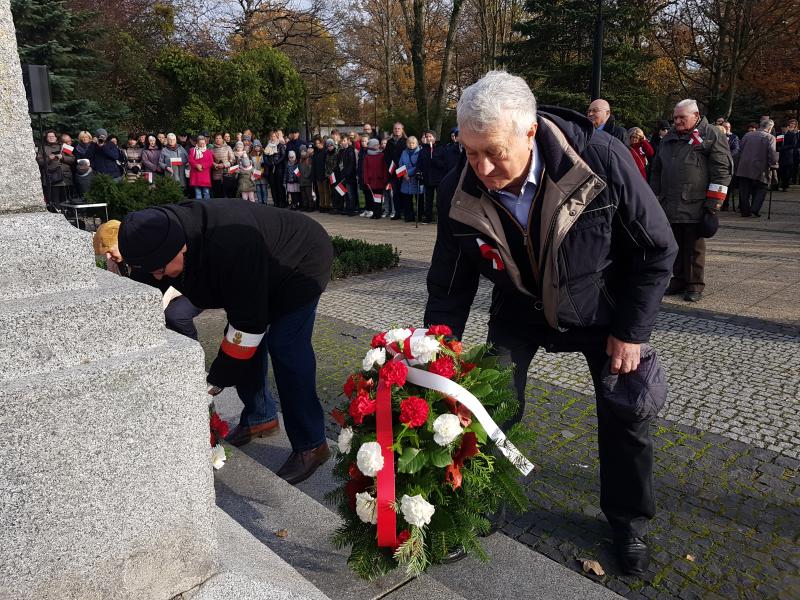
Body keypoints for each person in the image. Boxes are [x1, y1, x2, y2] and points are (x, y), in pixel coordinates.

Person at [424, 70, 676, 576]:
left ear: (530, 131)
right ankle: (482, 503)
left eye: (494, 151)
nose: (483, 166)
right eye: (470, 151)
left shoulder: (601, 160)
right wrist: (436, 349)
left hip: (602, 312)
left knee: (626, 416)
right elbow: (450, 282)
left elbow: (655, 250)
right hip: (519, 311)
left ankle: (629, 522)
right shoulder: (458, 185)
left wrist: (631, 332)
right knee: (488, 408)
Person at [117, 200, 334, 484]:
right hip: (257, 271)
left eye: (160, 269)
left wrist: (213, 383)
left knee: (285, 345)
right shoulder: (156, 237)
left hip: (300, 260)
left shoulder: (229, 244)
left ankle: (312, 445)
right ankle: (260, 417)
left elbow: (248, 325)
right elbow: (146, 288)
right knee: (241, 342)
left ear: (180, 247)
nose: (158, 276)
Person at [650, 99, 732, 303]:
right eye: (675, 117)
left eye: (681, 117)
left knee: (694, 247)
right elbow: (657, 169)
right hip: (669, 202)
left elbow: (722, 170)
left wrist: (714, 203)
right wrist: (654, 196)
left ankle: (695, 284)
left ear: (696, 116)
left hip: (696, 202)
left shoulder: (711, 134)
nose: (676, 121)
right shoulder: (669, 137)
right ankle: (678, 280)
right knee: (675, 245)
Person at [94, 220, 203, 340]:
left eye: (110, 251)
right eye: (105, 254)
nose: (108, 257)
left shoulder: (146, 255)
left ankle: (192, 344)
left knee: (176, 315)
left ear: (123, 242)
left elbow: (169, 286)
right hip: (163, 293)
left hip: (189, 288)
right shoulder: (119, 262)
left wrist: (153, 310)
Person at [736, 118, 779, 218]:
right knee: (762, 188)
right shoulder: (770, 137)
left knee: (744, 190)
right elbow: (772, 153)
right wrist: (774, 165)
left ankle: (745, 211)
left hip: (744, 167)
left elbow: (740, 150)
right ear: (770, 128)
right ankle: (754, 209)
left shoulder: (747, 135)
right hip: (760, 168)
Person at [37, 129, 75, 209]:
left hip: (65, 178)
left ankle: (68, 216)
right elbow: (39, 162)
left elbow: (72, 159)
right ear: (46, 138)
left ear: (56, 137)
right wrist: (49, 158)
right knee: (55, 201)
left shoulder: (64, 146)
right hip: (52, 179)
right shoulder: (43, 148)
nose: (51, 138)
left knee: (67, 200)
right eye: (49, 136)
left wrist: (63, 157)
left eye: (52, 136)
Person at [418, 130, 448, 223]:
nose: (428, 138)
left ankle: (441, 217)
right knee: (428, 199)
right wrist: (418, 172)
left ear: (434, 138)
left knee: (440, 199)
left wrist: (435, 160)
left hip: (439, 178)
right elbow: (419, 163)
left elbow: (444, 164)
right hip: (428, 178)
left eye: (430, 136)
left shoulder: (441, 149)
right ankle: (428, 217)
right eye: (427, 137)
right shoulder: (423, 150)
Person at [397, 136, 423, 222]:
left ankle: (419, 216)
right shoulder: (404, 152)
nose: (411, 145)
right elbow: (400, 163)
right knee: (407, 199)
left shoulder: (420, 152)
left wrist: (409, 173)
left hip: (416, 179)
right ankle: (408, 216)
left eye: (413, 143)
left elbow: (418, 165)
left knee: (418, 199)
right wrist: (404, 174)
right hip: (405, 180)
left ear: (416, 143)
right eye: (409, 143)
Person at [384, 122, 407, 218]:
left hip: (403, 169)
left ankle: (405, 211)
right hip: (393, 170)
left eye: (399, 128)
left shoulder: (406, 141)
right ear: (393, 130)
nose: (397, 130)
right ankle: (397, 212)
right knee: (395, 192)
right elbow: (386, 156)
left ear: (402, 129)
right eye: (395, 128)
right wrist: (390, 166)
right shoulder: (389, 142)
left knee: (404, 192)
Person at [362, 138, 388, 219]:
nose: (378, 146)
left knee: (378, 197)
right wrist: (366, 180)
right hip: (371, 180)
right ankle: (374, 212)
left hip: (379, 179)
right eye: (376, 145)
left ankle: (378, 213)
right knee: (373, 197)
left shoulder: (382, 155)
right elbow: (365, 169)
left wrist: (384, 178)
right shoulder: (367, 156)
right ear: (372, 146)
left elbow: (384, 168)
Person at [188, 134, 214, 199]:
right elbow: (190, 160)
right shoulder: (192, 150)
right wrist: (196, 165)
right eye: (200, 143)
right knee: (198, 193)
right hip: (196, 175)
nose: (202, 145)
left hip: (205, 175)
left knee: (206, 192)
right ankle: (199, 207)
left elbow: (210, 162)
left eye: (203, 143)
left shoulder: (208, 152)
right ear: (197, 143)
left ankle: (207, 207)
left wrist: (202, 166)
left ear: (205, 143)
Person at [338, 136, 358, 215]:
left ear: (348, 141)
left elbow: (351, 164)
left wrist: (347, 174)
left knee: (350, 193)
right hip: (342, 175)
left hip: (349, 176)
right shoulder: (342, 151)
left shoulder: (350, 150)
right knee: (345, 192)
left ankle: (352, 209)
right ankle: (347, 207)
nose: (342, 142)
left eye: (344, 141)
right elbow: (339, 162)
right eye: (342, 141)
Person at [267, 131, 288, 208]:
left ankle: (281, 202)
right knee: (273, 186)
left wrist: (276, 162)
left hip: (279, 168)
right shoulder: (268, 146)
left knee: (279, 186)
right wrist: (269, 162)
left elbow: (283, 156)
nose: (273, 138)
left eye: (274, 136)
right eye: (271, 136)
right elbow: (266, 155)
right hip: (271, 168)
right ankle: (275, 202)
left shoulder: (280, 145)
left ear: (277, 137)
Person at [211, 133, 235, 199]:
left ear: (222, 139)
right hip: (216, 175)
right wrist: (215, 165)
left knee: (229, 194)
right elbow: (209, 161)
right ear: (214, 139)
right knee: (218, 195)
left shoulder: (228, 147)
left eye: (220, 138)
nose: (218, 139)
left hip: (227, 174)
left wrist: (224, 165)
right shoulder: (211, 149)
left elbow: (233, 159)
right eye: (216, 138)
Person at [778, 119, 799, 191]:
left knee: (786, 171)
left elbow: (793, 145)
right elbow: (778, 143)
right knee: (779, 170)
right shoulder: (780, 135)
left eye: (784, 128)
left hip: (788, 155)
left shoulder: (792, 135)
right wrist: (778, 148)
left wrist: (783, 148)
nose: (783, 129)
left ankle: (785, 186)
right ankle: (776, 186)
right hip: (780, 155)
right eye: (782, 128)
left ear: (787, 127)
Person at [311, 136, 327, 212]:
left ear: (322, 143)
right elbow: (313, 165)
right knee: (320, 192)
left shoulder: (325, 152)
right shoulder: (315, 153)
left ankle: (327, 206)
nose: (317, 145)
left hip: (324, 174)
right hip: (317, 174)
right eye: (316, 143)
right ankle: (322, 205)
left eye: (319, 143)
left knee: (326, 191)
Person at [321, 138, 337, 213]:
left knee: (333, 191)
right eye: (328, 146)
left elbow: (335, 165)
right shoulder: (327, 153)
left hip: (333, 175)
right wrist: (327, 174)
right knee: (328, 191)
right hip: (327, 175)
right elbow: (326, 164)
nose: (330, 147)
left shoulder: (336, 153)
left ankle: (334, 206)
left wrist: (330, 173)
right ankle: (330, 206)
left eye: (331, 145)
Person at [250, 140, 268, 204]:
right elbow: (251, 165)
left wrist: (262, 171)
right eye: (255, 147)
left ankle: (265, 202)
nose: (257, 148)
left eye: (258, 146)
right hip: (256, 175)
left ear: (260, 147)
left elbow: (265, 164)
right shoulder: (252, 155)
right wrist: (254, 173)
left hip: (263, 174)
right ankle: (260, 202)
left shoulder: (264, 154)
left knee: (263, 189)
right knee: (258, 190)